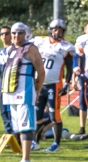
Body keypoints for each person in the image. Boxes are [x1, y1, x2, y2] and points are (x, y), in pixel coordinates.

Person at [0, 23, 47, 162]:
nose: (15, 36)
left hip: (24, 92)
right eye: (13, 33)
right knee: (19, 127)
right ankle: (23, 159)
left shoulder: (31, 49)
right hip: (11, 92)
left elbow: (41, 71)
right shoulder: (11, 49)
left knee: (26, 125)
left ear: (25, 33)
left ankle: (26, 160)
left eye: (19, 33)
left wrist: (37, 90)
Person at [32, 18, 75, 152]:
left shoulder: (66, 47)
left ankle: (56, 144)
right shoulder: (39, 41)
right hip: (39, 84)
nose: (58, 32)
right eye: (55, 30)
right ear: (51, 30)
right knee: (37, 115)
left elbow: (69, 67)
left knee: (54, 115)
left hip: (54, 85)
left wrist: (67, 84)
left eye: (60, 30)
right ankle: (36, 141)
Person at [72, 23, 88, 140]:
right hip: (85, 74)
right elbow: (76, 56)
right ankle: (83, 127)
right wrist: (76, 73)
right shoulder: (83, 40)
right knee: (82, 101)